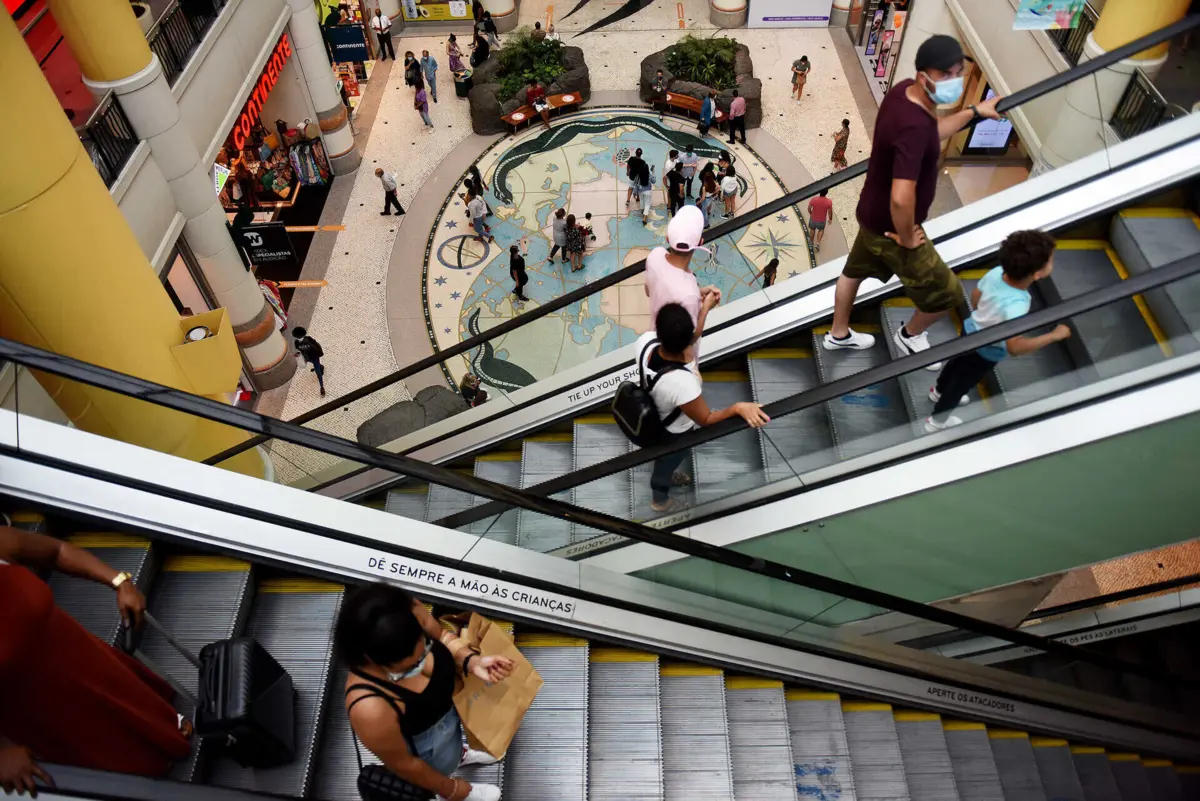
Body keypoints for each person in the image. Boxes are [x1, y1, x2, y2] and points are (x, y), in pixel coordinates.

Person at [824, 35, 1003, 368]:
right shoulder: (915, 127)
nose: (955, 81)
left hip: (870, 214)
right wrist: (907, 238)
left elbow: (931, 133)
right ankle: (909, 336)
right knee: (947, 293)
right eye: (946, 75)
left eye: (959, 72)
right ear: (925, 77)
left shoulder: (902, 93)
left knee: (852, 273)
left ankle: (838, 333)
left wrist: (974, 112)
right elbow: (901, 198)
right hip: (894, 231)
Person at [0, 523, 193, 795]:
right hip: (40, 706)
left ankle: (163, 730)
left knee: (132, 701)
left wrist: (119, 581)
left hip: (79, 654)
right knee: (116, 766)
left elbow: (57, 550)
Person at [337, 583, 511, 801]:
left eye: (426, 648)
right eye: (407, 668)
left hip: (449, 719)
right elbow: (405, 764)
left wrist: (471, 661)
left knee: (452, 748)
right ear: (372, 661)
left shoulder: (407, 613)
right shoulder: (369, 708)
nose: (422, 663)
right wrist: (454, 790)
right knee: (439, 765)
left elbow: (443, 636)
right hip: (425, 750)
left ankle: (460, 754)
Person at [926, 230, 1069, 431]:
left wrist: (983, 317)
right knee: (961, 384)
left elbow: (976, 296)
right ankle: (937, 422)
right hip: (987, 351)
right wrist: (1054, 335)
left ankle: (938, 391)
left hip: (970, 330)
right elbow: (1015, 347)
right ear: (1037, 274)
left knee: (955, 364)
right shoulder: (1017, 304)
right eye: (1051, 261)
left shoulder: (996, 272)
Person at [637, 303, 770, 513]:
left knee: (666, 460)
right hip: (673, 433)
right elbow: (706, 419)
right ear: (684, 342)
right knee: (667, 461)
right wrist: (737, 408)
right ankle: (660, 501)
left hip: (655, 411)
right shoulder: (682, 384)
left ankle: (667, 474)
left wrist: (704, 310)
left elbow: (683, 339)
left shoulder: (645, 343)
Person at [645, 205, 720, 326]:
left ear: (668, 238)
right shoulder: (690, 294)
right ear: (700, 242)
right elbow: (687, 341)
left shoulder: (655, 256)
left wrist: (697, 293)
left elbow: (649, 291)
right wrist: (705, 307)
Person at [293, 326, 327, 395]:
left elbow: (316, 348)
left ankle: (322, 387)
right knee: (316, 365)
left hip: (314, 358)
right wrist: (299, 354)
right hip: (307, 358)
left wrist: (318, 355)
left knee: (318, 373)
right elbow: (300, 350)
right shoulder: (297, 342)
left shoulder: (308, 340)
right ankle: (320, 366)